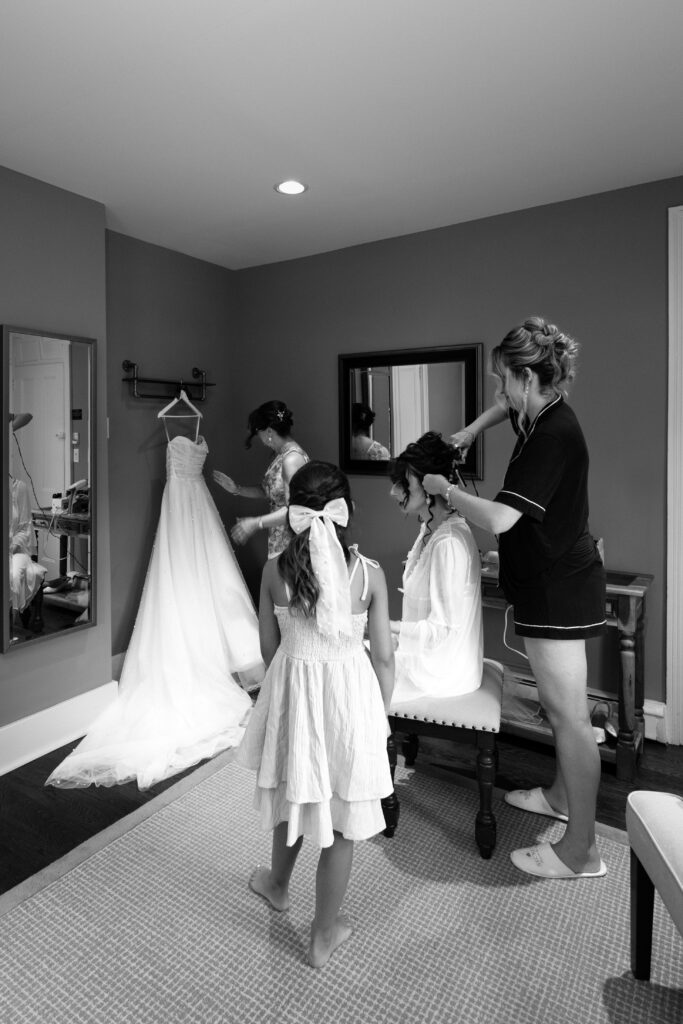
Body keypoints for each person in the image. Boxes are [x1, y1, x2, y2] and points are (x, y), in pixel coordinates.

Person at [422, 316, 607, 880]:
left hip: (559, 590)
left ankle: (582, 850)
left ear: (529, 378)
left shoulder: (552, 435)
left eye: (504, 382)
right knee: (557, 711)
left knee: (571, 718)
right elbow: (503, 411)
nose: (500, 393)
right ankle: (558, 796)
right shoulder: (537, 411)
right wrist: (474, 429)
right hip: (547, 580)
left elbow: (502, 517)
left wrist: (447, 491)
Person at [46, 399, 264, 790]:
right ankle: (199, 656)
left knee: (205, 574)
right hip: (182, 503)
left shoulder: (189, 420)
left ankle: (219, 654)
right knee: (183, 573)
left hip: (195, 502)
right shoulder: (177, 423)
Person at [236, 461, 394, 968]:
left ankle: (278, 884)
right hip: (350, 705)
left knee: (292, 792)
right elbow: (385, 656)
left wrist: (291, 684)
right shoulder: (370, 576)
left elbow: (267, 649)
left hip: (294, 698)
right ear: (345, 513)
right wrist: (381, 714)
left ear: (294, 512)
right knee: (343, 821)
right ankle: (322, 934)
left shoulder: (272, 572)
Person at [388, 431, 482, 703]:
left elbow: (441, 631)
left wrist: (387, 627)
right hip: (429, 658)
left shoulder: (448, 543)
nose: (393, 491)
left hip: (442, 673)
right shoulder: (430, 528)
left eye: (402, 482)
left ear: (429, 487)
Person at [213, 400, 309, 558]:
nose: (260, 438)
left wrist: (255, 523)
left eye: (259, 433)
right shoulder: (283, 456)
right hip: (278, 541)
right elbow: (268, 491)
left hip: (291, 544)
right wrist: (237, 489)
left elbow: (295, 511)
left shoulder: (292, 460)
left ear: (269, 431)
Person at [9, 412, 46, 620]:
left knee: (13, 575)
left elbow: (25, 529)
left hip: (16, 552)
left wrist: (10, 544)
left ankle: (10, 623)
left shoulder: (18, 488)